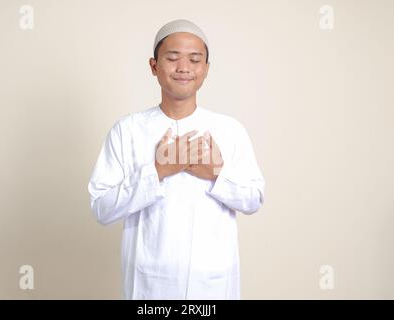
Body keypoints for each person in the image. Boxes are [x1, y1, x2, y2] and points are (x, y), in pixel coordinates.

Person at [88, 19, 265, 299]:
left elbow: (253, 199)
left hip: (212, 284)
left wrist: (215, 173)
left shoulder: (229, 130)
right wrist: (157, 171)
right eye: (172, 58)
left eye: (195, 59)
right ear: (154, 66)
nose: (184, 68)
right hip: (149, 285)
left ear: (206, 69)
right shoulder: (128, 130)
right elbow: (102, 208)